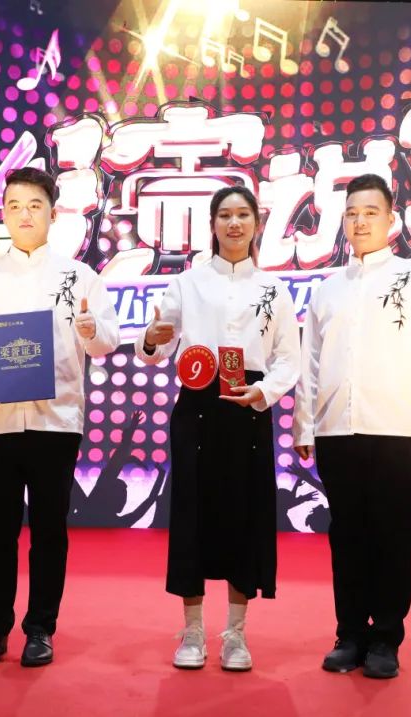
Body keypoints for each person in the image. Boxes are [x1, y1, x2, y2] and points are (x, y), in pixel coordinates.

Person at [292, 173, 411, 679]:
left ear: (391, 220)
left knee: (391, 536)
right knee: (346, 535)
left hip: (394, 427)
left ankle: (386, 638)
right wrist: (304, 427)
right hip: (336, 429)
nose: (360, 221)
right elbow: (310, 364)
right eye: (352, 213)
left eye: (370, 212)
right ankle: (349, 634)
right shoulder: (326, 290)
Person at [0, 167, 120, 668]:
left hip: (55, 424)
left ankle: (40, 628)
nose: (24, 215)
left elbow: (106, 343)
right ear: (3, 213)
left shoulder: (79, 276)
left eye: (35, 206)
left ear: (53, 213)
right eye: (15, 206)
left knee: (49, 533)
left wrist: (89, 328)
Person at [136, 185, 301, 672]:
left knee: (244, 517)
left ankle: (235, 634)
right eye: (225, 215)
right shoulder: (187, 283)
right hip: (198, 407)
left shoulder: (274, 289)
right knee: (192, 514)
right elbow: (157, 348)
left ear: (256, 224)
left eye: (243, 215)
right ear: (212, 224)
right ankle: (192, 631)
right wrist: (151, 339)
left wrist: (264, 392)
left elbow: (288, 358)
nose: (234, 223)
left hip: (248, 406)